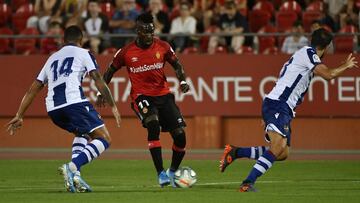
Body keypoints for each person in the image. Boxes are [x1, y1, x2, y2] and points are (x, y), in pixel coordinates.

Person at [219, 28, 358, 192]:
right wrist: (346, 66)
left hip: (281, 107)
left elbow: (325, 72)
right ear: (327, 46)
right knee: (278, 146)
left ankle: (236, 152)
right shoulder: (308, 54)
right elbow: (328, 75)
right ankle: (247, 183)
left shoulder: (306, 55)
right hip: (278, 104)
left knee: (283, 153)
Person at [6, 26, 121, 193]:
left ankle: (76, 177)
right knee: (104, 138)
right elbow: (97, 78)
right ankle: (72, 167)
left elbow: (34, 88)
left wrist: (19, 115)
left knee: (81, 134)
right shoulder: (84, 53)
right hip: (73, 102)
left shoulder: (52, 58)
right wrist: (113, 106)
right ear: (81, 40)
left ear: (63, 40)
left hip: (53, 109)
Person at [97, 12, 190, 188]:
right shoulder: (126, 52)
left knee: (180, 136)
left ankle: (172, 172)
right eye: (145, 32)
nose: (149, 36)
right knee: (153, 124)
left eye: (151, 32)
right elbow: (109, 71)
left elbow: (177, 65)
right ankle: (160, 173)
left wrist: (183, 80)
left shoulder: (162, 46)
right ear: (138, 31)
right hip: (141, 96)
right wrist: (102, 92)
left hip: (164, 95)